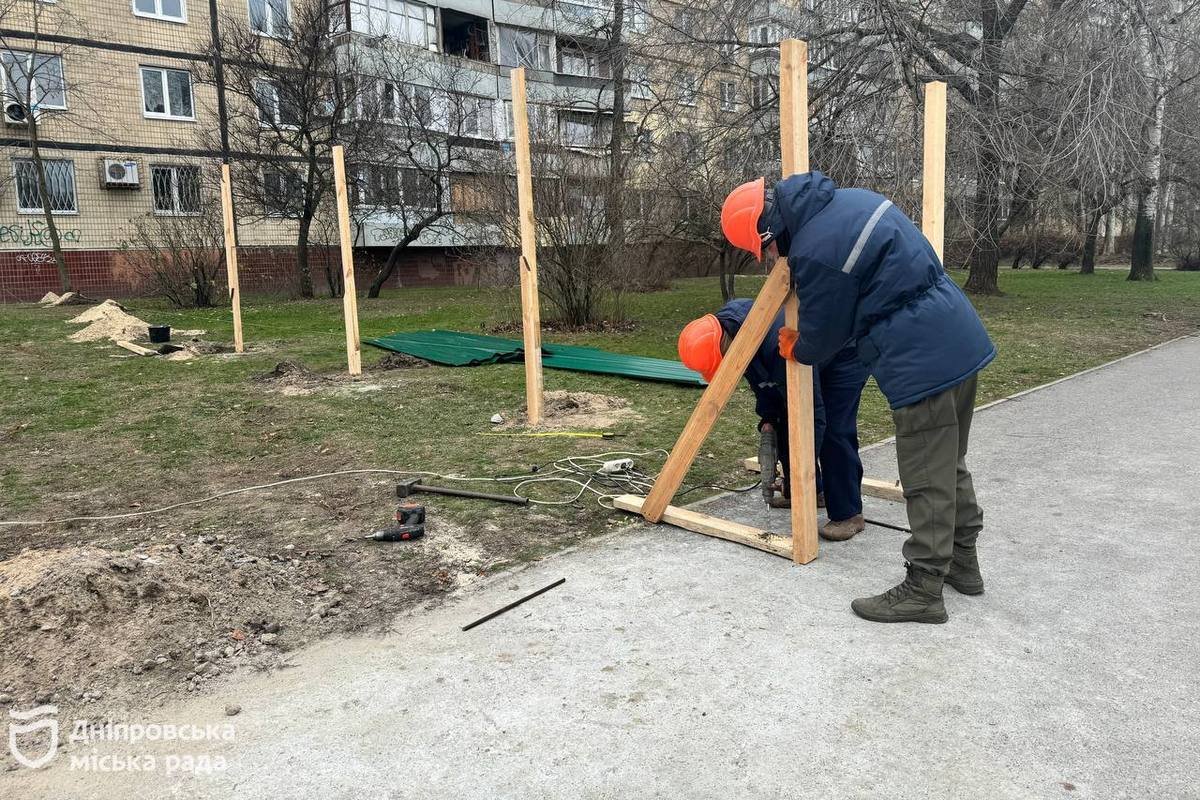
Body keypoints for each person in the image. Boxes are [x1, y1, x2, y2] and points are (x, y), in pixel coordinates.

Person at [718, 171, 995, 624]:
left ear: (768, 229)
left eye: (764, 250)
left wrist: (798, 345)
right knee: (950, 464)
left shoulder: (816, 249)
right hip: (957, 335)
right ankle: (963, 564)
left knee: (925, 474)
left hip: (921, 357)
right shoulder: (849, 202)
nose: (770, 260)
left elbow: (825, 333)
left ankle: (924, 588)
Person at [678, 299, 870, 541]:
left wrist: (803, 470)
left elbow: (812, 414)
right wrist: (769, 420)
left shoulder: (770, 342)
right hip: (804, 353)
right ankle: (814, 492)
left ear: (725, 348)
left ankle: (848, 512)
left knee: (833, 430)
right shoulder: (734, 336)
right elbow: (764, 384)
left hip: (843, 352)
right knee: (783, 422)